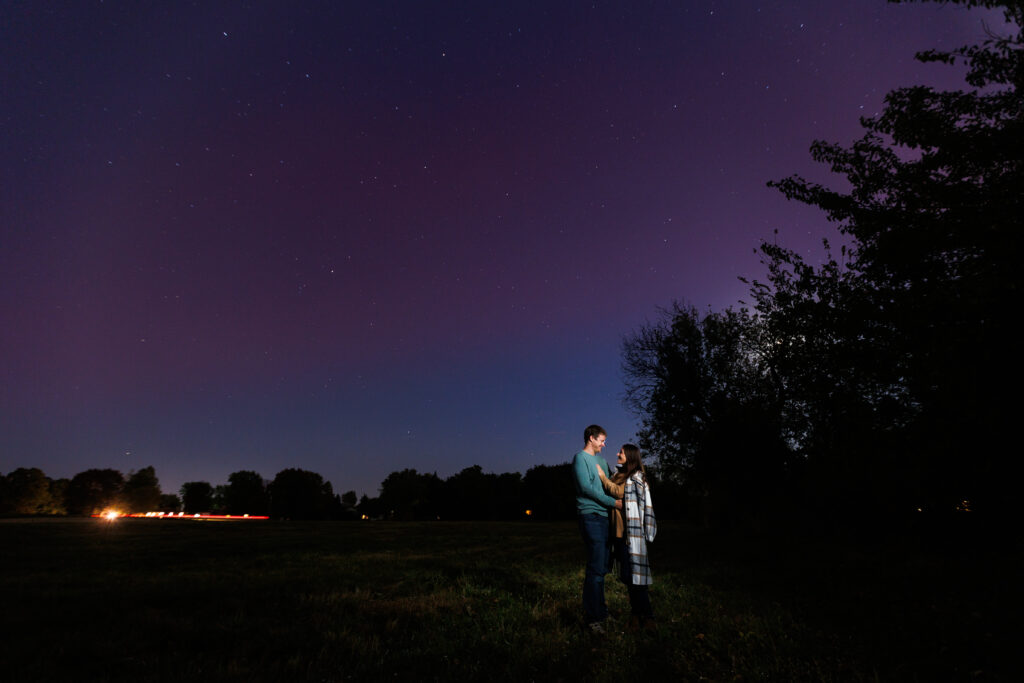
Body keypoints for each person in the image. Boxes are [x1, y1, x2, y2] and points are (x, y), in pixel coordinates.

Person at [596, 444, 657, 631]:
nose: (617, 453)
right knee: (628, 576)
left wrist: (602, 477)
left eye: (621, 452)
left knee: (633, 577)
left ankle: (646, 617)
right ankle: (637, 615)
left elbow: (619, 492)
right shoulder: (620, 475)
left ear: (629, 456)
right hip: (618, 534)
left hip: (630, 534)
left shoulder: (635, 478)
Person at [572, 424, 622, 633]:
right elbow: (586, 488)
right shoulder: (580, 458)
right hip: (590, 515)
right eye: (602, 440)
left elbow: (608, 484)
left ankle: (601, 611)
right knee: (595, 568)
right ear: (591, 438)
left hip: (604, 518)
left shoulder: (602, 461)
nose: (604, 444)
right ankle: (592, 618)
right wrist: (612, 502)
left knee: (602, 567)